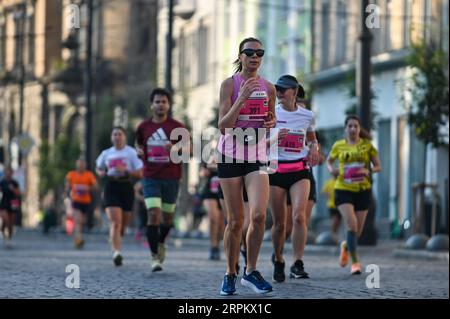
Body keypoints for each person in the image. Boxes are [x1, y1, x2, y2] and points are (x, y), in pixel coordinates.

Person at [217, 37, 276, 295]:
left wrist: (271, 123)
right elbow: (223, 125)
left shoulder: (269, 88)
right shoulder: (229, 84)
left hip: (257, 156)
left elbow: (270, 118)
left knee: (259, 215)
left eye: (259, 52)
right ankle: (230, 273)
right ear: (240, 56)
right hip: (230, 155)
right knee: (235, 221)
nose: (254, 56)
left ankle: (250, 271)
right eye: (249, 52)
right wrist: (241, 98)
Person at [268, 75, 320, 283]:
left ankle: (297, 262)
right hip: (277, 170)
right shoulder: (271, 114)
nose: (279, 92)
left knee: (299, 217)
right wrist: (274, 138)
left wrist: (315, 149)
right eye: (277, 89)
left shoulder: (307, 115)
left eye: (283, 89)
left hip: (300, 169)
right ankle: (279, 258)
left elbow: (312, 139)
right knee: (280, 223)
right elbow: (260, 140)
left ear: (294, 91)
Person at [136, 87, 190, 272]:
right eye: (157, 101)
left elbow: (189, 151)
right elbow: (138, 144)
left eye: (164, 102)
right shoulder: (144, 127)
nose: (160, 105)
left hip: (171, 177)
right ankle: (154, 257)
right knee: (153, 214)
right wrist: (139, 151)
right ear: (152, 105)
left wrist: (175, 149)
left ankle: (160, 242)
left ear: (169, 105)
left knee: (167, 219)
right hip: (150, 177)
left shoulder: (177, 127)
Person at [326, 115, 381, 274]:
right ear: (345, 129)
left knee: (358, 231)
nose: (352, 129)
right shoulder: (339, 146)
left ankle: (346, 246)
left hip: (363, 190)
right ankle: (355, 263)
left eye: (355, 126)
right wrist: (333, 170)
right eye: (349, 126)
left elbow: (378, 166)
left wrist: (368, 170)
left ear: (359, 128)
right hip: (343, 189)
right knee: (351, 224)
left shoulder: (367, 146)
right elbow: (329, 162)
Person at [96, 126, 143, 266]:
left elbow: (140, 173)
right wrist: (101, 173)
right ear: (112, 137)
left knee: (123, 224)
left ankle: (115, 239)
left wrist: (127, 171)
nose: (117, 137)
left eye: (119, 134)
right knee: (115, 222)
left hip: (126, 186)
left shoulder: (131, 153)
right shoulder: (106, 153)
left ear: (124, 137)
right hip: (111, 186)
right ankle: (117, 252)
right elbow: (98, 167)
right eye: (114, 134)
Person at [65, 159, 97, 249]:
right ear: (76, 165)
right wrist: (69, 192)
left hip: (86, 201)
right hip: (76, 200)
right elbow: (67, 186)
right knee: (77, 220)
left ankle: (79, 236)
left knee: (83, 221)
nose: (81, 166)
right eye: (79, 165)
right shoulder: (71, 174)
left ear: (85, 166)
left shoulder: (89, 175)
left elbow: (95, 186)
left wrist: (87, 188)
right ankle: (78, 239)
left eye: (82, 164)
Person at [200, 154, 225, 260]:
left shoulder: (230, 153)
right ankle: (213, 246)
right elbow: (201, 171)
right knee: (213, 218)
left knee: (221, 223)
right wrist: (204, 172)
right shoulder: (208, 156)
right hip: (210, 191)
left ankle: (218, 245)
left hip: (225, 191)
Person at [0, 166, 21, 248]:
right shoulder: (2, 182)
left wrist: (13, 189)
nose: (8, 174)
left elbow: (19, 194)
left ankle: (9, 238)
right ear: (5, 173)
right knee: (6, 219)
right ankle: (2, 229)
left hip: (13, 202)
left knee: (11, 223)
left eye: (10, 172)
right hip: (4, 202)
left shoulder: (15, 183)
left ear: (12, 173)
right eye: (7, 172)